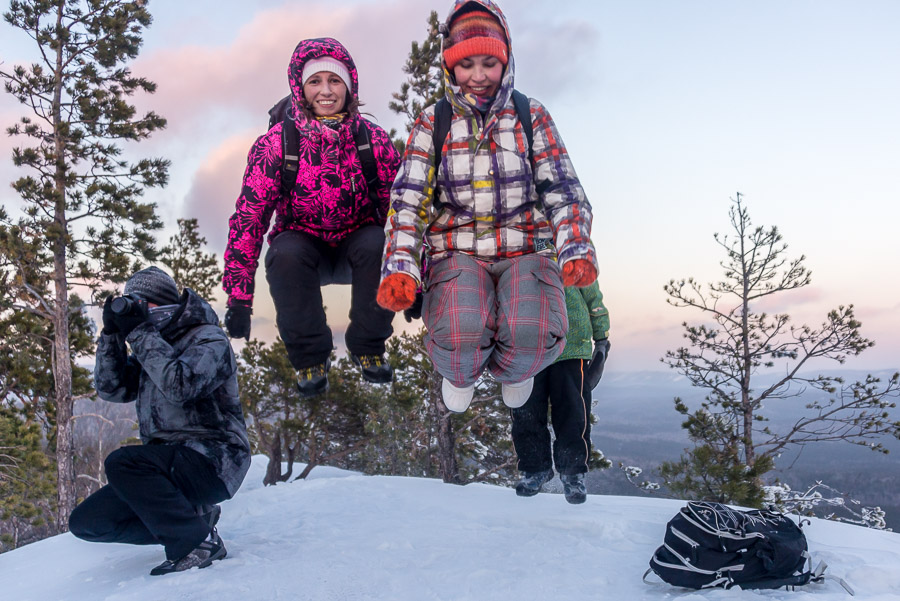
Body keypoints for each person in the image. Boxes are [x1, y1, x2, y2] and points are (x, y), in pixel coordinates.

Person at [377, 0, 597, 412]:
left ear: (506, 61)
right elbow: (409, 200)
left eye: (489, 64)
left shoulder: (531, 116)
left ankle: (517, 370)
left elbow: (562, 187)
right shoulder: (433, 122)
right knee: (461, 329)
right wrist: (401, 266)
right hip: (457, 253)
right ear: (450, 66)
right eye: (466, 65)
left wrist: (575, 246)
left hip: (526, 249)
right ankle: (460, 372)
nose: (478, 76)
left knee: (532, 331)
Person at [222, 37, 401, 397]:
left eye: (335, 81)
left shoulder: (373, 141)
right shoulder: (276, 144)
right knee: (284, 252)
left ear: (349, 87)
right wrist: (238, 298)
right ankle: (310, 358)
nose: (326, 90)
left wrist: (415, 278)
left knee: (378, 240)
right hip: (304, 251)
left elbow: (400, 213)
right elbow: (249, 219)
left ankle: (368, 347)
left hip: (358, 246)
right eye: (315, 81)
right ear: (300, 88)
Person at [69, 267, 251, 575]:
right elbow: (112, 388)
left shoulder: (208, 340)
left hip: (216, 460)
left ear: (161, 303)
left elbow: (180, 386)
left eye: (141, 304)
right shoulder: (153, 346)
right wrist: (112, 334)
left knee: (123, 462)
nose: (137, 312)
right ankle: (194, 523)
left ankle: (196, 543)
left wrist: (140, 333)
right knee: (88, 523)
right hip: (170, 467)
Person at [510, 281, 610, 504]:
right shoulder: (517, 247)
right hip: (526, 342)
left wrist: (601, 335)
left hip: (571, 343)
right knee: (525, 410)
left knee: (572, 413)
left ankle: (572, 474)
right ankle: (536, 469)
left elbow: (591, 290)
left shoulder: (571, 246)